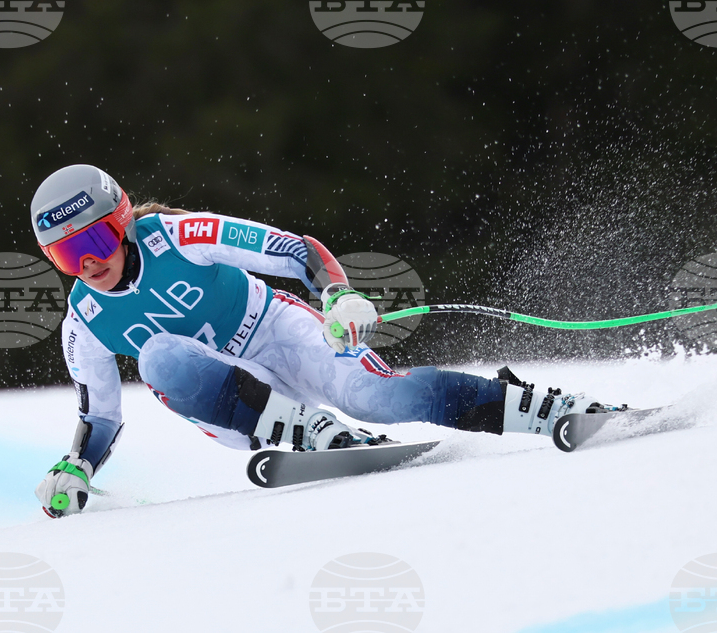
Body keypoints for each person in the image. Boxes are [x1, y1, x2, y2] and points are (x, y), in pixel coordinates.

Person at [32, 164, 605, 517]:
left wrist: (338, 295)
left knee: (377, 397)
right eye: (66, 256)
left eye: (98, 241)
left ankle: (545, 410)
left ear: (123, 219)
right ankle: (305, 430)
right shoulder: (83, 323)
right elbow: (100, 416)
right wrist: (76, 468)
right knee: (160, 358)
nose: (89, 264)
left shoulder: (179, 235)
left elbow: (293, 250)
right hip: (238, 404)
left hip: (280, 332)